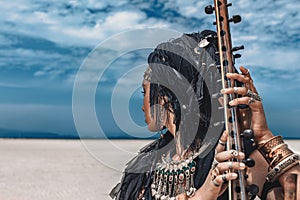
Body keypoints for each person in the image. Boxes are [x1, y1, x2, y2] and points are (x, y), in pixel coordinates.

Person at [110, 30, 300, 200]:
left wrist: (263, 136)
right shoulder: (147, 165)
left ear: (167, 96)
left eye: (145, 92)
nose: (142, 106)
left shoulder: (235, 157)